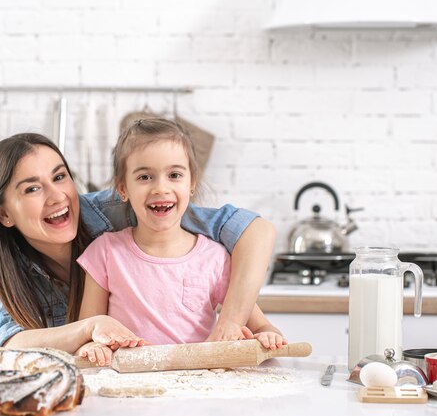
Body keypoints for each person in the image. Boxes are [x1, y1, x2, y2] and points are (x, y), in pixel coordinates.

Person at [0, 131, 276, 354]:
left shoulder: (121, 208)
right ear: (4, 214)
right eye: (32, 189)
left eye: (60, 177)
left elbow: (256, 230)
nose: (57, 196)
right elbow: (10, 344)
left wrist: (232, 321)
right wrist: (89, 329)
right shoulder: (10, 267)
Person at [76, 118, 286, 365]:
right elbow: (88, 330)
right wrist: (93, 347)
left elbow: (261, 326)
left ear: (191, 184)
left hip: (197, 385)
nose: (160, 188)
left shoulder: (215, 258)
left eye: (174, 175)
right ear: (123, 189)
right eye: (145, 177)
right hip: (132, 386)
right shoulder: (105, 252)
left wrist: (269, 336)